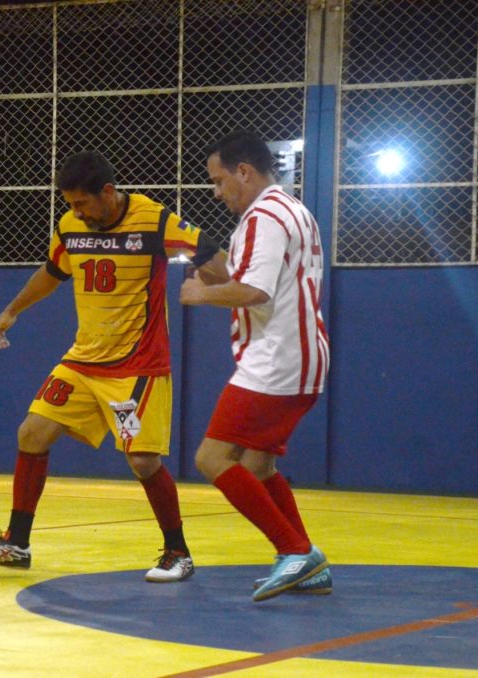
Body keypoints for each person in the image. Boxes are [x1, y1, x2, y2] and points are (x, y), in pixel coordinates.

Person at [0, 150, 228, 582]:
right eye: (70, 204)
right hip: (84, 361)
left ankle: (178, 552)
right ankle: (16, 543)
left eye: (82, 203)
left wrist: (230, 287)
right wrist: (12, 311)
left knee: (143, 462)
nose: (76, 212)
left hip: (137, 366)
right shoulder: (71, 226)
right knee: (31, 433)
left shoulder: (154, 220)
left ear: (107, 191)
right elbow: (53, 271)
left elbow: (212, 255)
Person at [180, 131, 331, 602]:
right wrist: (215, 272)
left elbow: (255, 291)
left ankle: (294, 551)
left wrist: (200, 293)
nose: (217, 191)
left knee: (211, 458)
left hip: (275, 360)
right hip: (301, 355)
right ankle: (307, 560)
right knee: (257, 464)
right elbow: (260, 281)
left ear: (243, 172)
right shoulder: (293, 209)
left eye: (218, 180)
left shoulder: (262, 217)